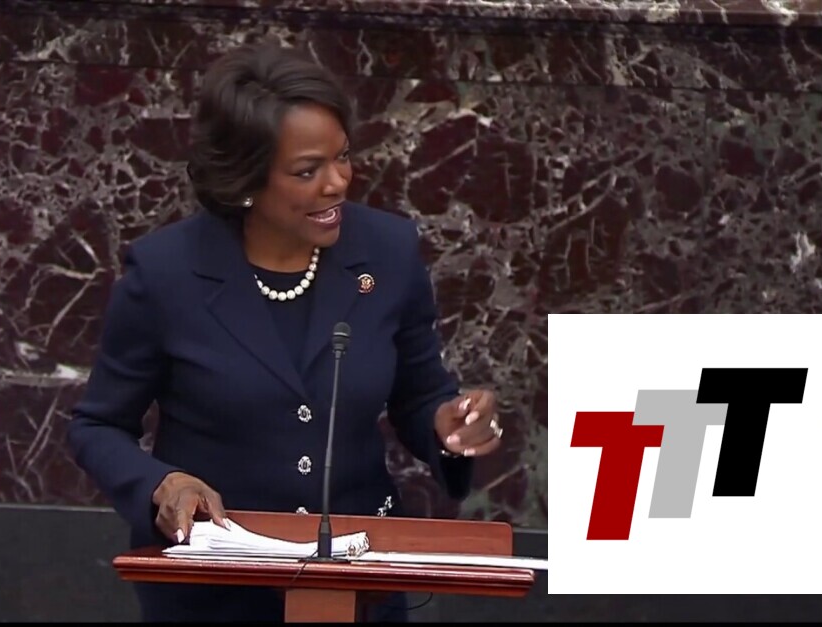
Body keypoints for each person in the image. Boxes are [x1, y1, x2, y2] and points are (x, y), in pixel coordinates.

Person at [66, 40, 505, 623]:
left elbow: (421, 393)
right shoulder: (166, 274)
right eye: (307, 171)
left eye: (342, 157)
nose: (337, 183)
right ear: (246, 178)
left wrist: (450, 424)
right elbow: (97, 426)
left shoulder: (387, 252)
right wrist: (162, 483)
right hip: (213, 590)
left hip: (358, 583)